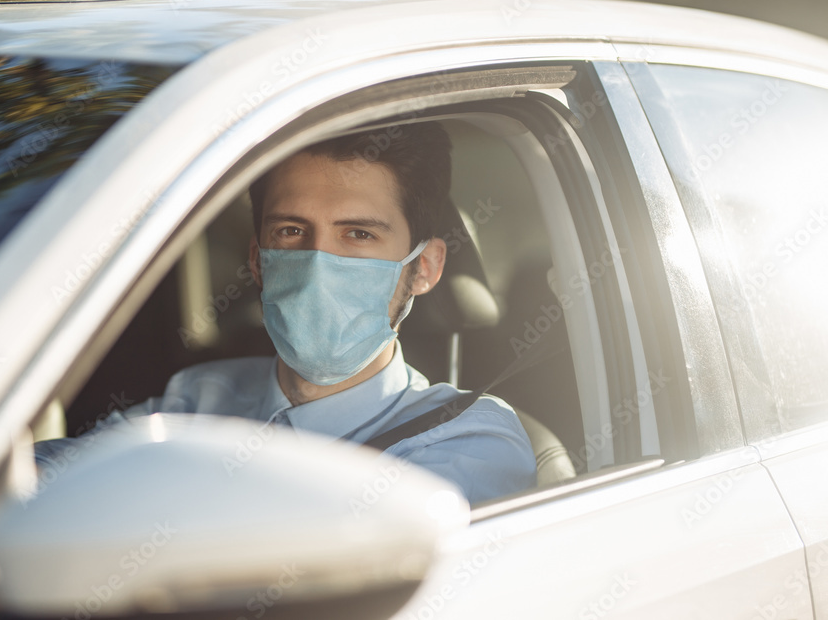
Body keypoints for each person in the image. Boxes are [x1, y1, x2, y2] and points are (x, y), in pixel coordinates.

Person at [40, 122, 536, 504]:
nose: (319, 262)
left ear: (424, 267)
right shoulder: (197, 397)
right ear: (257, 259)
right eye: (292, 232)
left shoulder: (467, 438)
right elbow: (40, 482)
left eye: (358, 234)